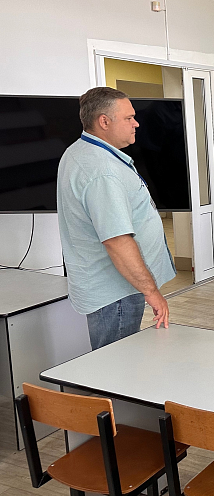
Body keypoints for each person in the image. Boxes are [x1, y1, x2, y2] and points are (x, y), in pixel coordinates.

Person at [57, 87, 175, 350]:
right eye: (129, 118)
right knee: (117, 362)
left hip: (112, 288)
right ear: (104, 121)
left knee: (115, 360)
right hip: (116, 294)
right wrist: (151, 291)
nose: (136, 123)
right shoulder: (102, 171)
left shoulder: (81, 151)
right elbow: (117, 241)